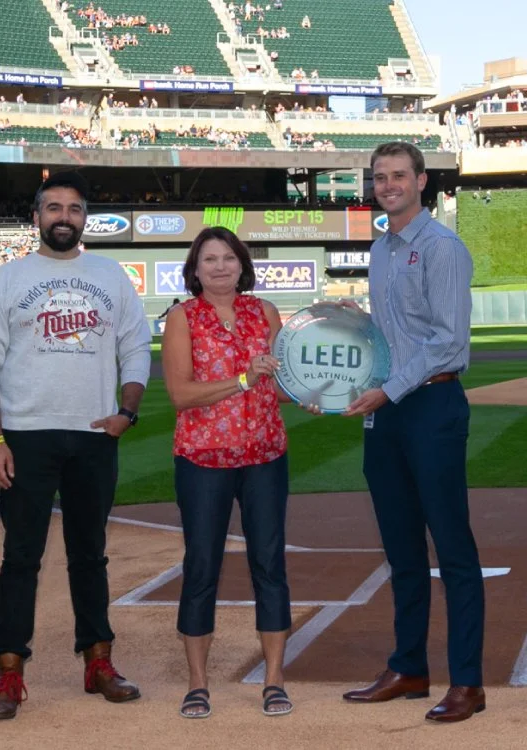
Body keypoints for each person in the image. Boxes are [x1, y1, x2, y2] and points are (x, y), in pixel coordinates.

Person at [0, 171, 153, 721]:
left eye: (73, 208)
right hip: (25, 435)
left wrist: (127, 412)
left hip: (95, 434)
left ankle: (99, 661)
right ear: (37, 217)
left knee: (89, 554)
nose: (63, 217)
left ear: (84, 218)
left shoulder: (111, 275)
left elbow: (135, 348)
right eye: (53, 208)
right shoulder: (6, 279)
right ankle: (8, 672)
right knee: (20, 557)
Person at [337, 141, 486, 723]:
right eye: (380, 177)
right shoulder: (381, 248)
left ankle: (467, 682)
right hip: (390, 408)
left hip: (431, 403)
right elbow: (391, 336)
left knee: (452, 549)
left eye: (399, 175)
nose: (389, 184)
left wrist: (389, 389)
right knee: (401, 549)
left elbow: (448, 340)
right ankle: (410, 667)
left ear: (422, 181)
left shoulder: (442, 246)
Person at [161, 227, 292, 719]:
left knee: (270, 566)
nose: (219, 266)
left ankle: (274, 680)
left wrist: (317, 392)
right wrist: (243, 378)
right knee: (201, 569)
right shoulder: (182, 317)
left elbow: (281, 386)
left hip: (264, 455)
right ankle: (198, 684)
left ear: (242, 264)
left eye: (228, 257)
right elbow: (181, 393)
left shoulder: (265, 313)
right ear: (195, 269)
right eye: (209, 259)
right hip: (203, 459)